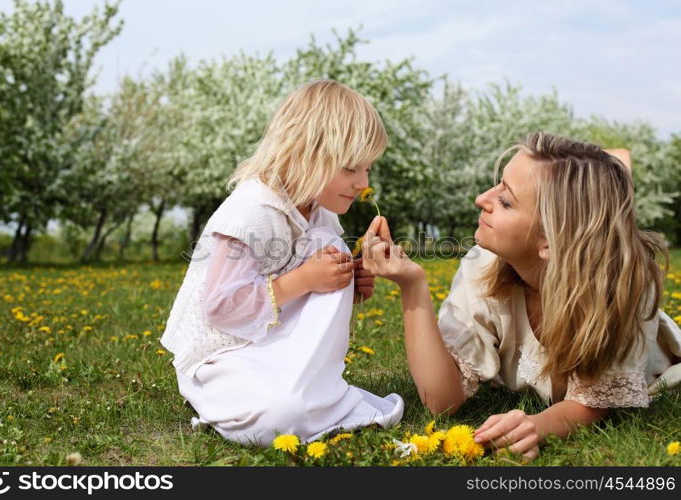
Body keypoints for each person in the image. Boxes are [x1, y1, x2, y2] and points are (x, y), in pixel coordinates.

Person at [360, 132, 681, 459]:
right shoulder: (481, 268)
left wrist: (538, 425)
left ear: (550, 241)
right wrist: (412, 285)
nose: (482, 198)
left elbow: (591, 401)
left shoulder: (623, 287)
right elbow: (442, 401)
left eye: (506, 201)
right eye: (497, 185)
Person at [159, 80, 403, 447]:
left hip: (267, 346)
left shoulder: (321, 216)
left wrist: (350, 279)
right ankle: (250, 398)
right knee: (279, 419)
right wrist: (306, 280)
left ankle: (308, 396)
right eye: (352, 168)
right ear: (306, 153)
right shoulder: (252, 210)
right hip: (221, 357)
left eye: (368, 169)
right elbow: (222, 307)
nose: (363, 183)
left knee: (330, 248)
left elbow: (303, 293)